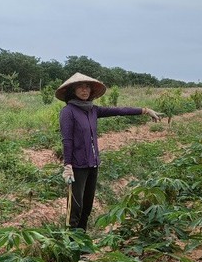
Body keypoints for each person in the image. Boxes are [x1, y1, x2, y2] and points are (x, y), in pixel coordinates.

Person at [55, 72, 161, 230]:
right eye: (80, 87)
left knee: (87, 205)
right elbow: (67, 139)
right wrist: (67, 165)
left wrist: (145, 110)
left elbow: (119, 110)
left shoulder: (93, 110)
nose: (84, 90)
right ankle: (71, 243)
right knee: (75, 207)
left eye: (87, 87)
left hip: (92, 164)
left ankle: (82, 240)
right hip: (77, 166)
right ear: (73, 91)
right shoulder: (68, 112)